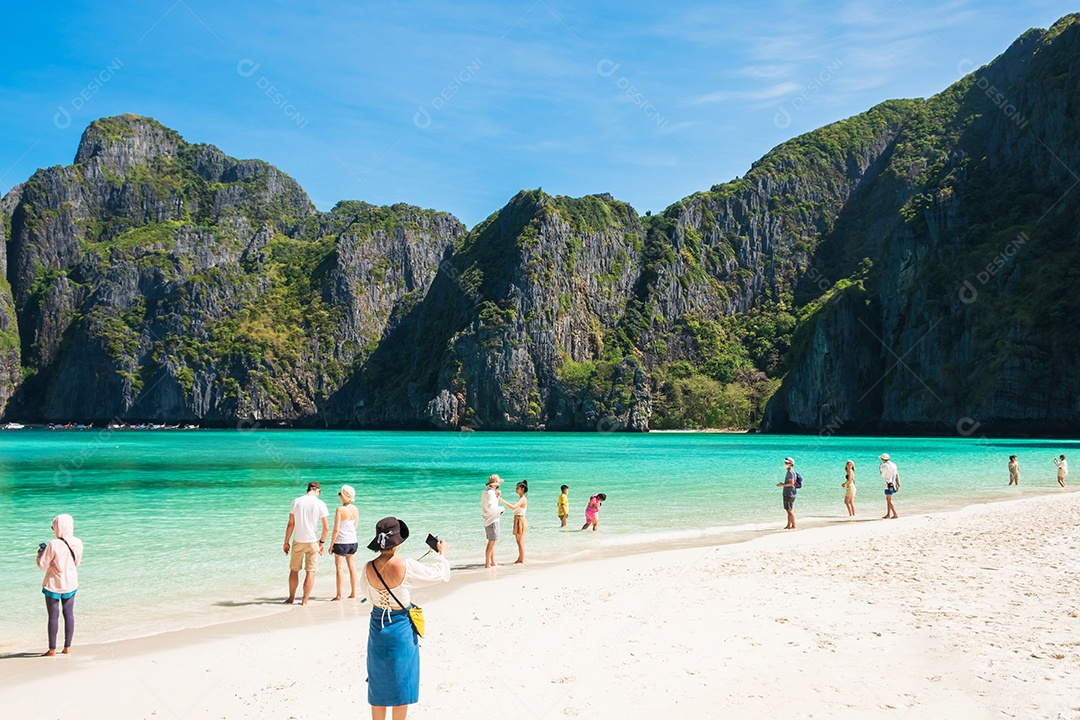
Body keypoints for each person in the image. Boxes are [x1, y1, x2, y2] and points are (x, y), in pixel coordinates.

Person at [363, 516, 450, 719]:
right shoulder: (406, 565)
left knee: (378, 684)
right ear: (398, 541)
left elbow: (367, 595)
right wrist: (441, 555)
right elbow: (436, 575)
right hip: (400, 626)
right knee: (401, 682)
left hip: (377, 626)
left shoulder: (368, 566)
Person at [36, 514, 83, 656]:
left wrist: (40, 553)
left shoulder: (53, 544)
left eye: (53, 527)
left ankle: (52, 649)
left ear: (58, 527)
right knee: (69, 615)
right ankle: (67, 647)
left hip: (54, 585)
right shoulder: (78, 542)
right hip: (71, 583)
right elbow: (77, 563)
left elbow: (42, 565)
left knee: (53, 617)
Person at [282, 481, 330, 605]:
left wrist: (286, 541)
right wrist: (322, 542)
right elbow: (326, 528)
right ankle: (304, 601)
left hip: (298, 540)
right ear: (318, 490)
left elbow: (291, 524)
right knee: (310, 571)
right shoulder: (320, 504)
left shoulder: (296, 501)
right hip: (313, 541)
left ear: (307, 490)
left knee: (294, 570)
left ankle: (291, 598)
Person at [329, 484, 360, 601]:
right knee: (352, 567)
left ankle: (339, 595)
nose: (339, 496)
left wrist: (331, 545)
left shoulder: (340, 509)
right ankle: (353, 593)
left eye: (340, 494)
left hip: (341, 542)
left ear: (344, 496)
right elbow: (355, 526)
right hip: (353, 541)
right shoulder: (355, 509)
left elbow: (336, 529)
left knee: (339, 568)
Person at [500, 481, 528, 564]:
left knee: (520, 541)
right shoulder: (521, 498)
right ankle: (520, 558)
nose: (516, 489)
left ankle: (522, 560)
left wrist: (502, 500)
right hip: (518, 519)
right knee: (518, 541)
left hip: (520, 520)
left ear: (522, 489)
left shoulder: (523, 499)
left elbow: (513, 507)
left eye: (517, 488)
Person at [481, 475, 504, 568]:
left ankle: (493, 561)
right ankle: (487, 563)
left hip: (488, 519)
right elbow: (492, 508)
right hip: (492, 519)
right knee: (492, 541)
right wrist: (501, 509)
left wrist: (497, 496)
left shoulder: (486, 491)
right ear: (495, 484)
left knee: (492, 541)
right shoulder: (490, 493)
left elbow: (489, 505)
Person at [776, 457, 797, 529]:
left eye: (786, 463)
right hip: (788, 493)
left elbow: (791, 483)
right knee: (788, 510)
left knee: (789, 510)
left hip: (789, 493)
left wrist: (782, 485)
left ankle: (794, 525)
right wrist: (783, 484)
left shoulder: (791, 472)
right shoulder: (789, 472)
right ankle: (788, 525)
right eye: (785, 463)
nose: (785, 464)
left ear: (790, 464)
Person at [879, 453, 899, 519]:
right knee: (888, 499)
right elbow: (896, 474)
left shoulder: (884, 466)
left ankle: (895, 514)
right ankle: (888, 514)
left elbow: (882, 475)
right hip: (894, 483)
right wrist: (898, 484)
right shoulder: (894, 464)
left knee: (888, 500)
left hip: (888, 484)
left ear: (882, 459)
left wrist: (880, 469)